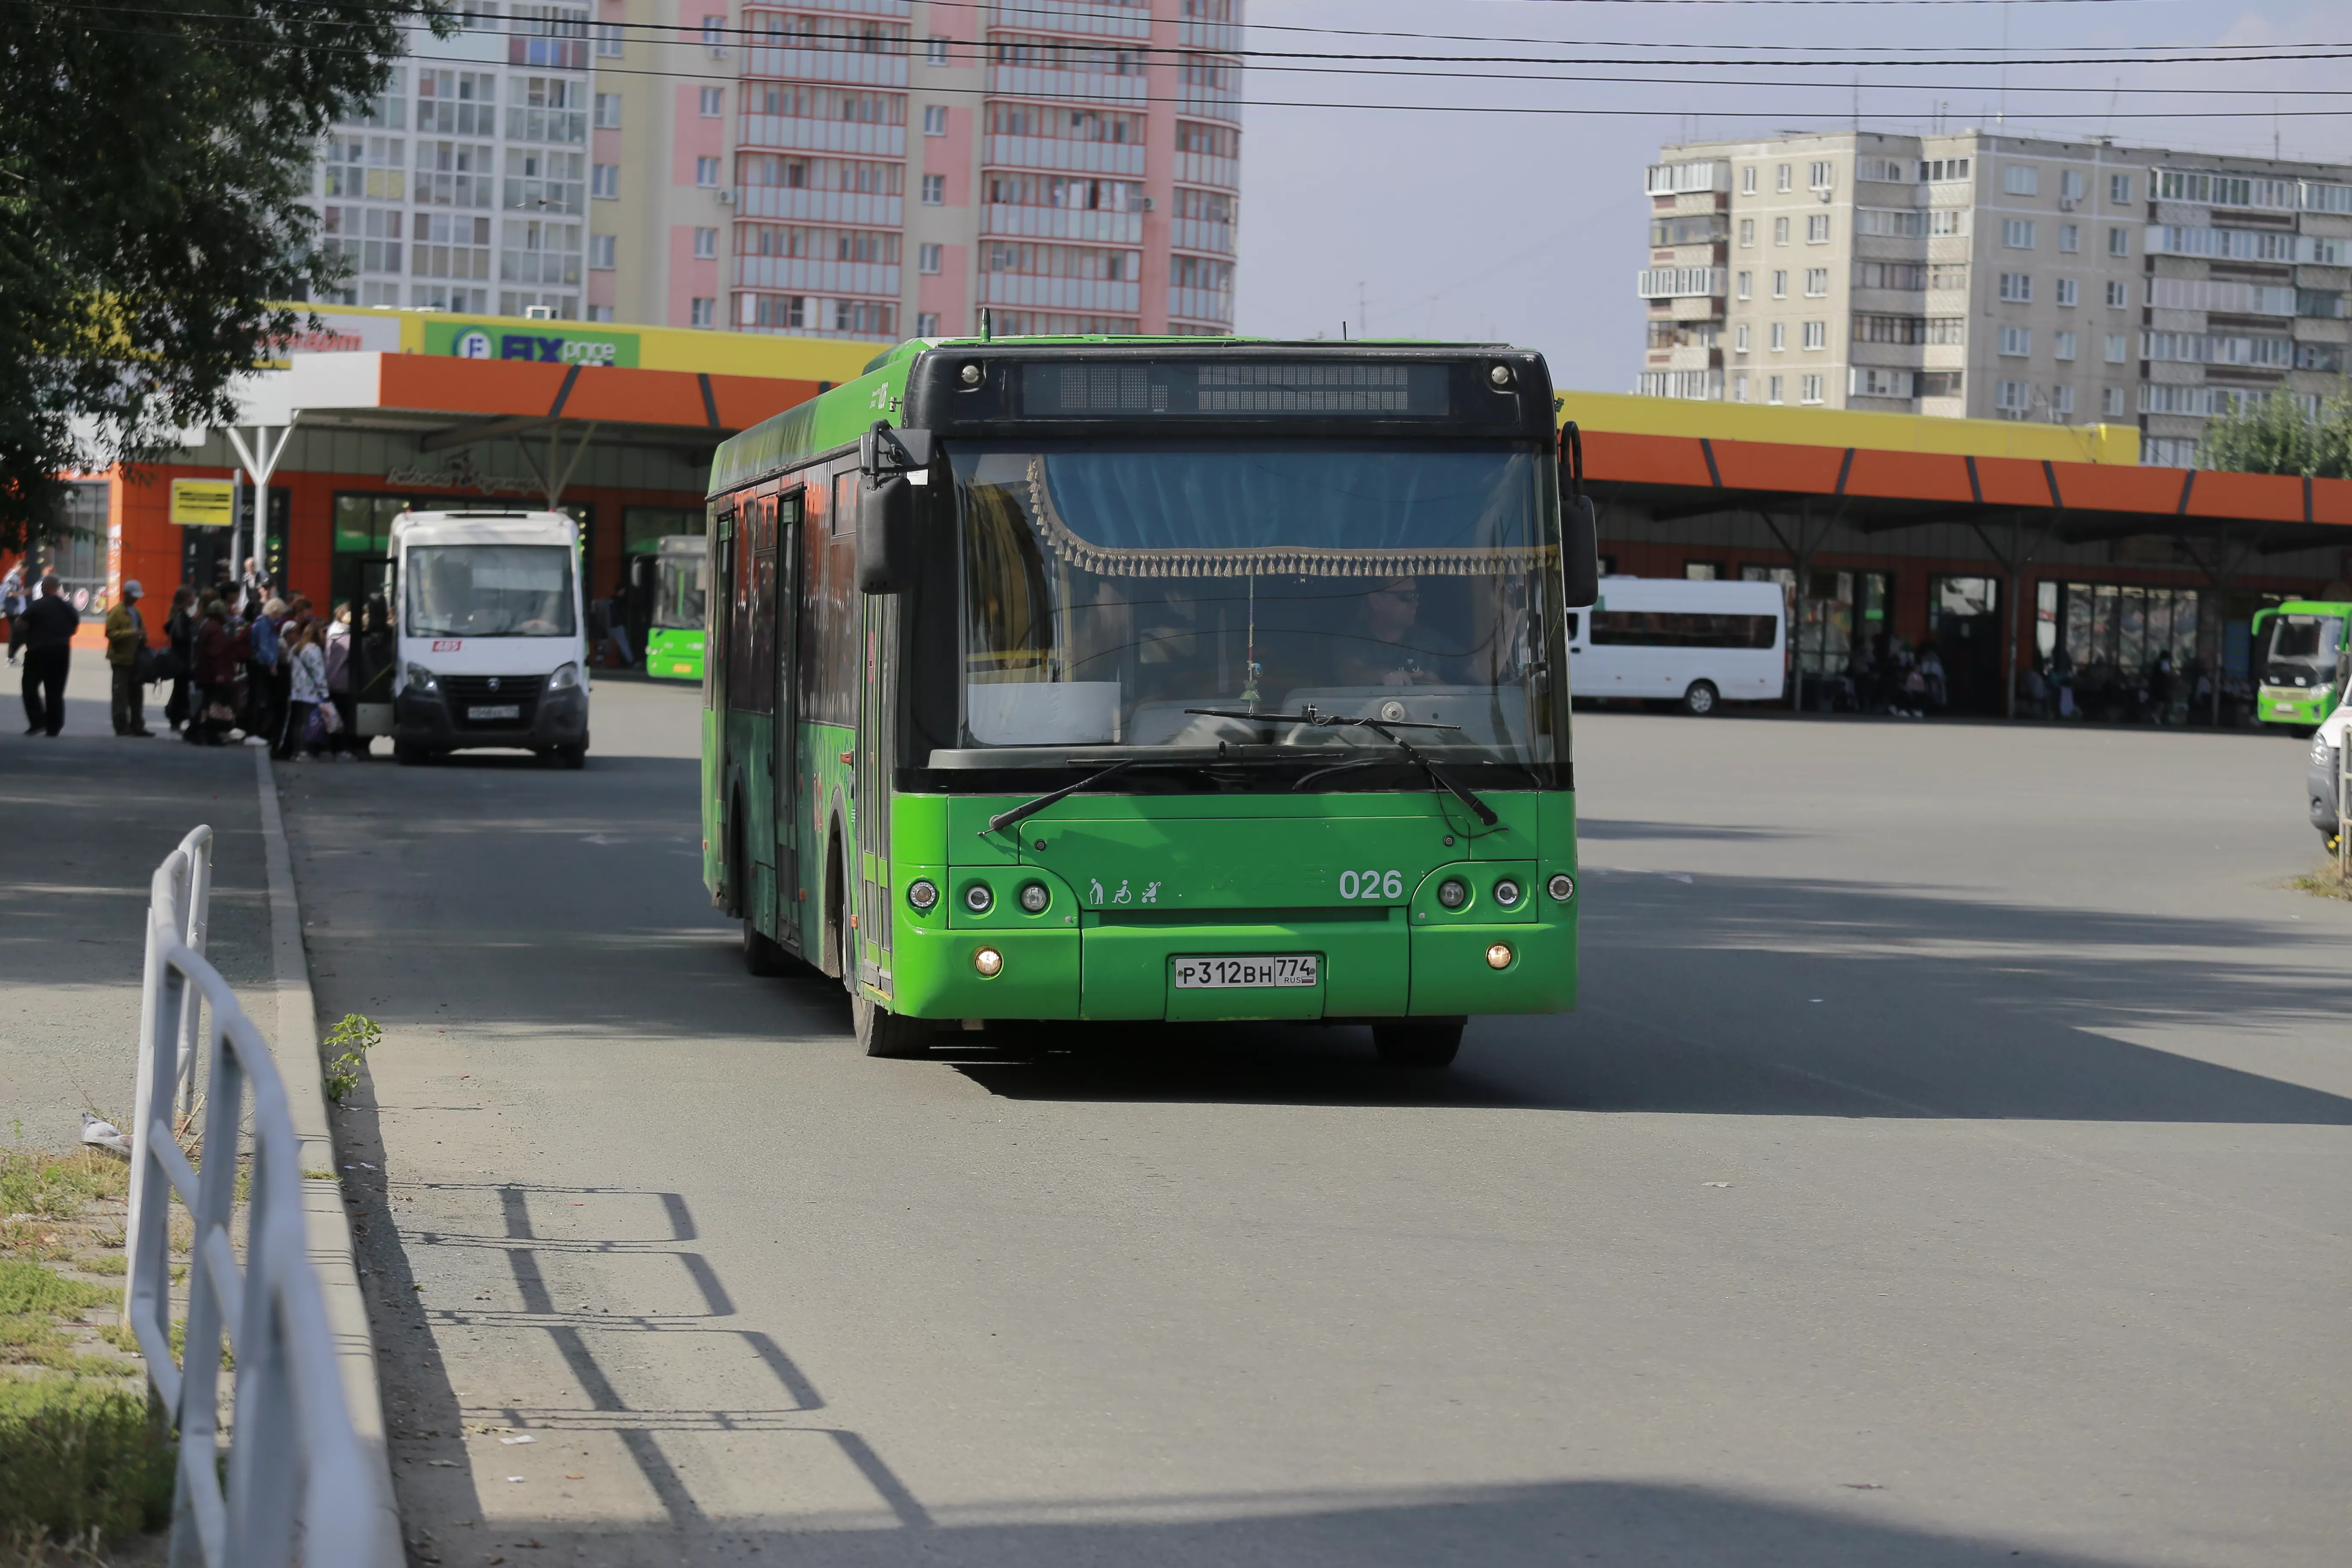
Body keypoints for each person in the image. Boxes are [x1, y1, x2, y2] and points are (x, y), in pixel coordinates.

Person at [1335, 576, 1444, 687]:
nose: (1416, 603)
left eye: (1415, 595)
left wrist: (1439, 685)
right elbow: (1351, 673)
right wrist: (1385, 676)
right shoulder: (1352, 640)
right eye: (1407, 596)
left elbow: (1462, 668)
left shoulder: (1429, 638)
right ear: (1376, 601)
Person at [19, 576, 77, 735]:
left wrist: (28, 633)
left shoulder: (37, 605)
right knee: (55, 690)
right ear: (57, 588)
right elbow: (75, 625)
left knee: (29, 687)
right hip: (61, 651)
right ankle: (54, 727)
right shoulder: (67, 607)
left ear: (44, 588)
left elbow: (21, 622)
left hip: (38, 650)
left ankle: (38, 721)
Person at [104, 579, 155, 737]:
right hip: (120, 659)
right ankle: (121, 726)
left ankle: (137, 725)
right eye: (133, 596)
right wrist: (131, 633)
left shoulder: (136, 612)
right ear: (125, 594)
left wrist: (143, 636)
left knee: (137, 694)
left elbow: (142, 629)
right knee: (120, 694)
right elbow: (110, 633)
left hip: (135, 659)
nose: (136, 599)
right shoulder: (116, 612)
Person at [277, 620, 330, 760]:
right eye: (324, 632)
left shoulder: (298, 647)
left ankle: (297, 752)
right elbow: (319, 674)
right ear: (315, 632)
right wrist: (325, 693)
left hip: (297, 691)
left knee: (298, 722)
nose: (327, 635)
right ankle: (304, 751)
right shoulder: (314, 649)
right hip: (310, 692)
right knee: (307, 722)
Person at [162, 586, 198, 732]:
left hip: (179, 659)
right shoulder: (181, 616)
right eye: (192, 596)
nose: (194, 598)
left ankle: (176, 719)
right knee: (182, 691)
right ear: (186, 599)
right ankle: (177, 718)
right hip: (183, 659)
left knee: (180, 690)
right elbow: (182, 636)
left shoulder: (179, 614)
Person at [600, 589, 633, 668]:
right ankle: (631, 661)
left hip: (609, 626)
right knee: (624, 644)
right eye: (623, 591)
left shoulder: (611, 600)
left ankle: (599, 660)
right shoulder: (620, 601)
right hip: (617, 626)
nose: (624, 592)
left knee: (603, 642)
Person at [1, 563, 24, 665]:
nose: (24, 573)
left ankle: (11, 657)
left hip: (14, 609)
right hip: (12, 610)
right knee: (18, 633)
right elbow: (10, 593)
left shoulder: (14, 577)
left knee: (17, 633)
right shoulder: (12, 578)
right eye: (25, 570)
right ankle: (11, 657)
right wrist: (25, 593)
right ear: (20, 567)